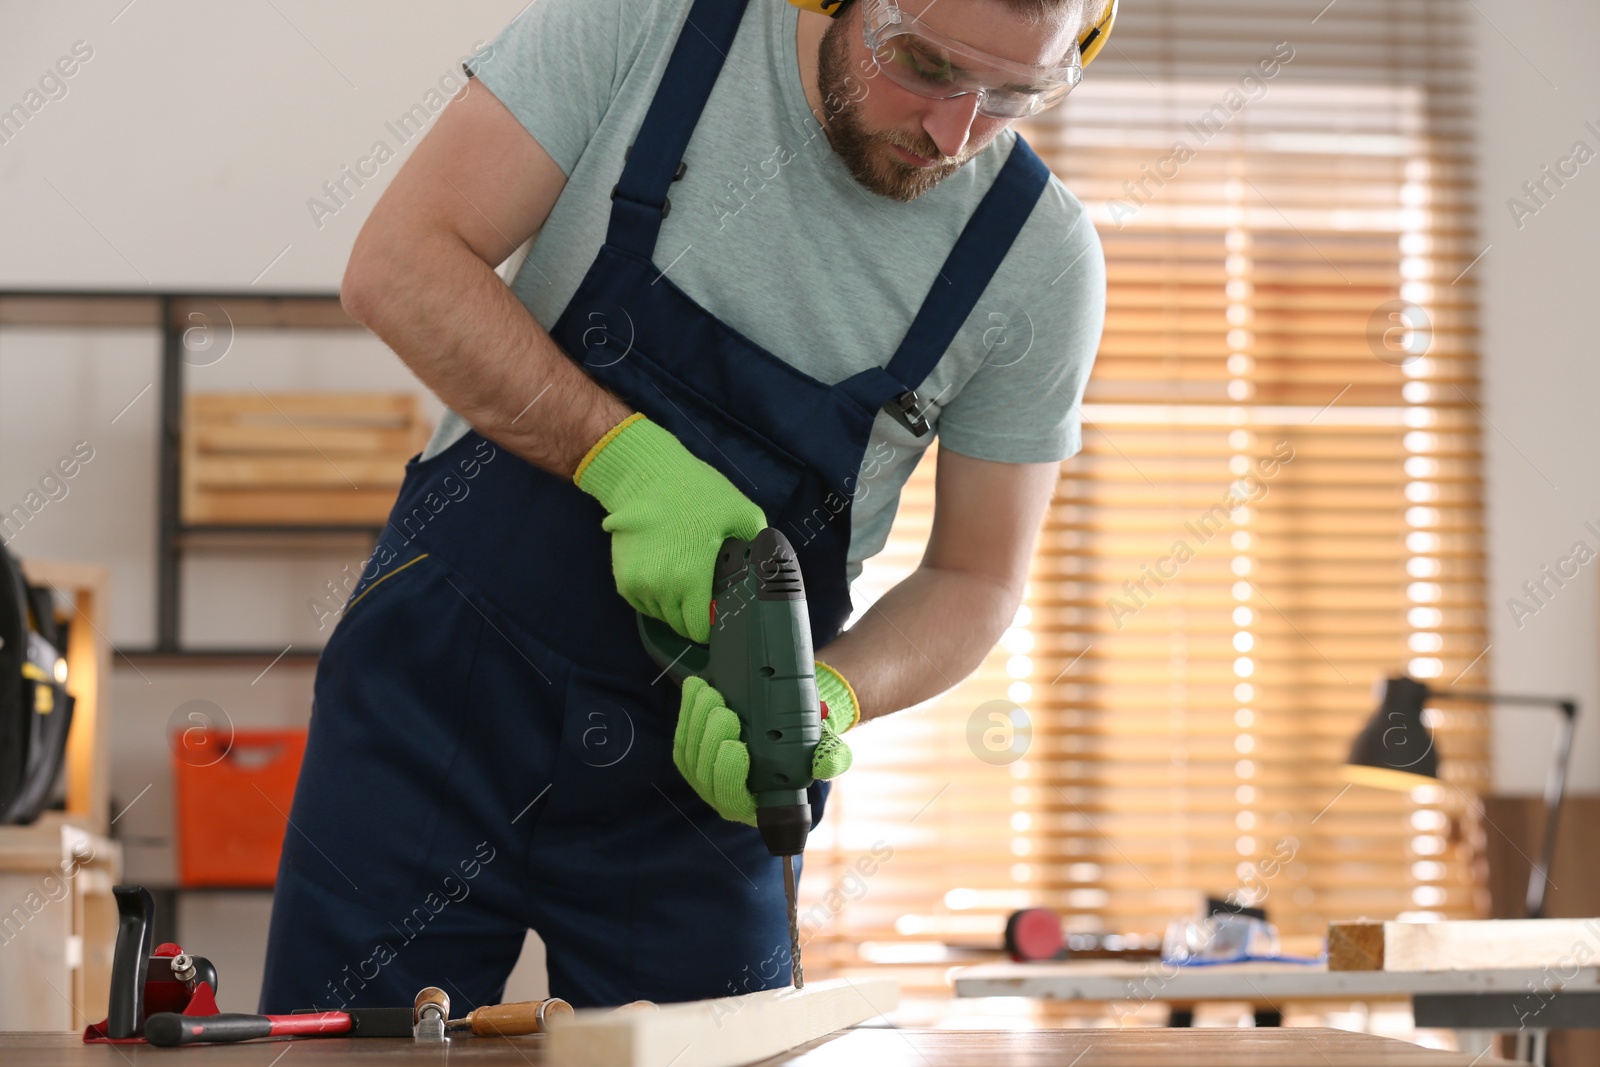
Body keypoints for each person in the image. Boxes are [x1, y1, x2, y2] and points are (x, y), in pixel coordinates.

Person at [260, 0, 1109, 1012]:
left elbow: (976, 577)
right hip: (435, 699)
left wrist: (825, 694)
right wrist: (618, 458)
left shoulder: (1037, 261)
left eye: (1013, 97)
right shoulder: (644, 27)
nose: (953, 133)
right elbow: (399, 266)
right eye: (922, 65)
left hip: (709, 785)